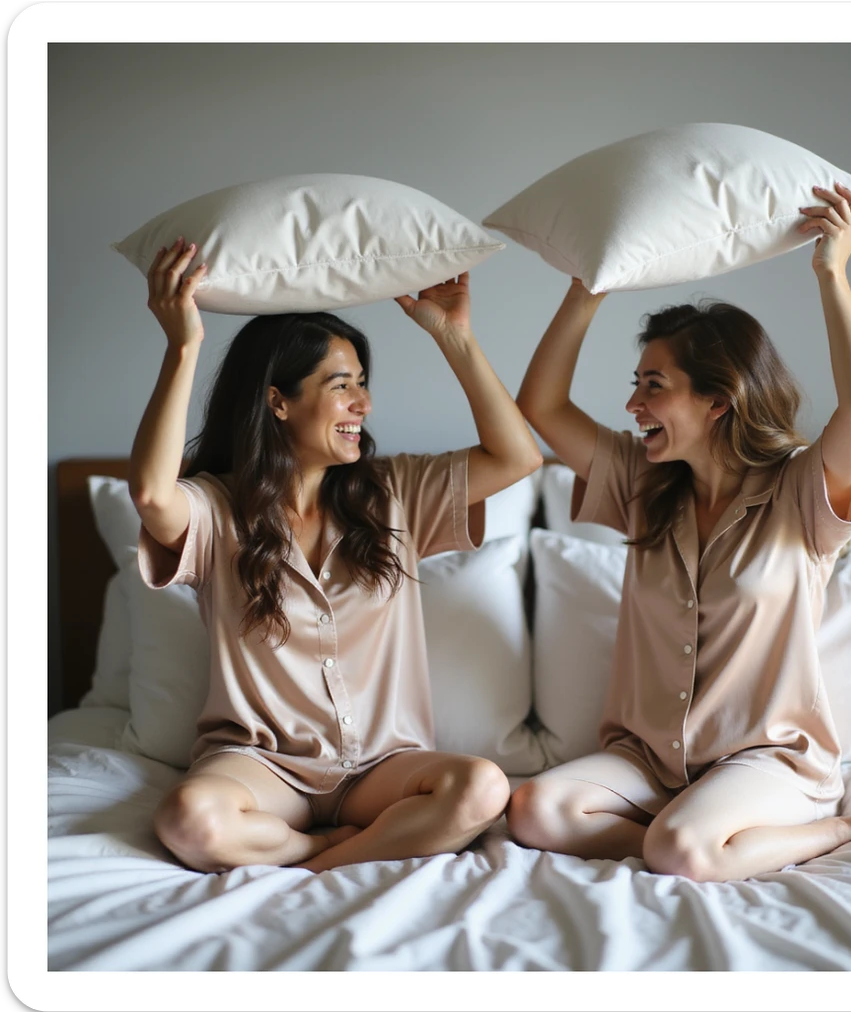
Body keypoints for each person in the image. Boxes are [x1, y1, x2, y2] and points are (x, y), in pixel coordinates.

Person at [508, 182, 851, 882]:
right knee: (531, 810)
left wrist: (832, 271)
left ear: (718, 399)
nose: (633, 405)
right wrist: (589, 288)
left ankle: (838, 826)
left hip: (764, 759)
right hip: (649, 760)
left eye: (653, 386)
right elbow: (540, 405)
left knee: (677, 852)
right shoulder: (644, 487)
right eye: (637, 385)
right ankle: (685, 825)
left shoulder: (800, 493)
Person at [130, 237, 542, 874]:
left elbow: (520, 458)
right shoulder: (217, 507)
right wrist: (183, 345)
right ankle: (326, 851)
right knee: (189, 819)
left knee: (483, 786)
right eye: (342, 385)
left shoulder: (395, 493)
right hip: (262, 766)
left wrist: (455, 337)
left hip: (382, 767)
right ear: (278, 401)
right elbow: (154, 494)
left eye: (363, 385)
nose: (364, 405)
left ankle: (318, 860)